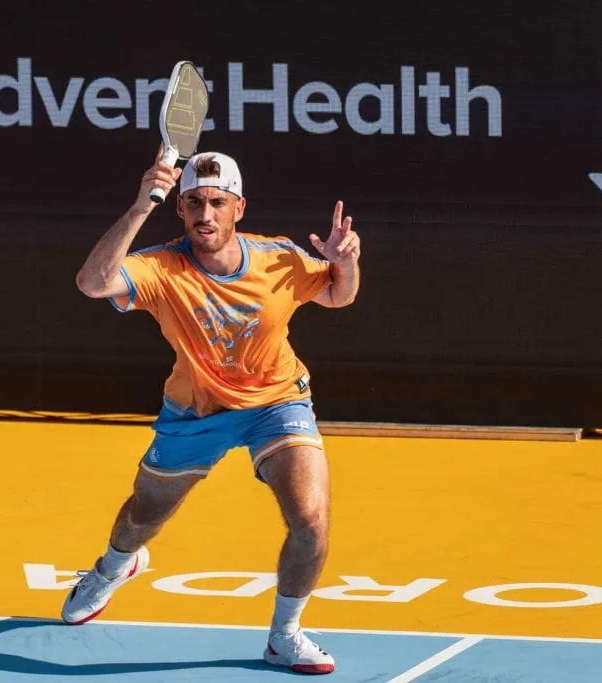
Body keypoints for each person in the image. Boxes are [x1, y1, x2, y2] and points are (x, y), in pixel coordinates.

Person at [62, 148, 361, 674]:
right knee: (142, 515)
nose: (205, 214)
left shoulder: (281, 258)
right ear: (179, 209)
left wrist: (346, 262)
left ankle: (284, 635)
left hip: (277, 401)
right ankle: (113, 567)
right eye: (194, 203)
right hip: (195, 411)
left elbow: (339, 297)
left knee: (311, 522)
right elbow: (91, 283)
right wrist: (138, 206)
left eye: (217, 202)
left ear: (239, 207)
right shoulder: (161, 267)